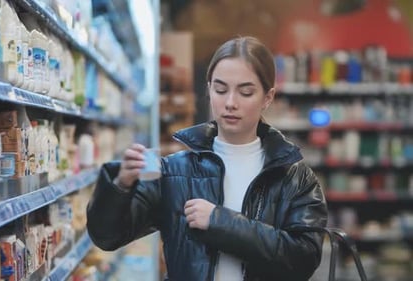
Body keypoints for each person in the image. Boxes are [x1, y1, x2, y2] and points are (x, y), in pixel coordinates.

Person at [86, 36, 328, 281]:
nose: (230, 103)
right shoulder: (175, 172)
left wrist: (219, 222)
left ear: (268, 97)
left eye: (245, 92)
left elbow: (304, 258)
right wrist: (121, 185)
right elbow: (107, 237)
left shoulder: (295, 177)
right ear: (209, 90)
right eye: (220, 89)